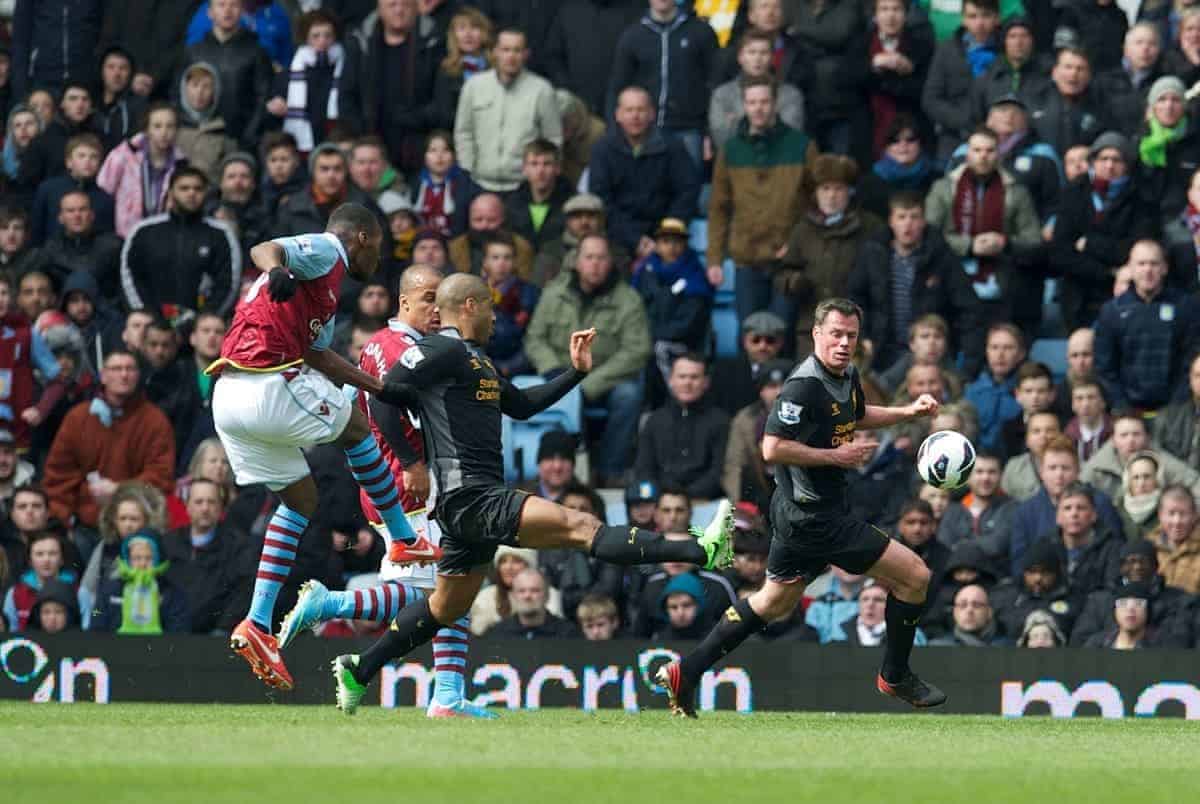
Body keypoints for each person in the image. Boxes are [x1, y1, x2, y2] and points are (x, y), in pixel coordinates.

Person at [328, 272, 734, 712]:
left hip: (468, 505)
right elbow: (386, 397)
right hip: (471, 497)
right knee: (581, 526)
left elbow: (521, 404)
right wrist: (411, 463)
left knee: (444, 607)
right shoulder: (439, 348)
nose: (495, 318)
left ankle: (359, 669)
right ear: (468, 306)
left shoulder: (473, 358)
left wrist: (575, 373)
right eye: (489, 307)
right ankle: (700, 550)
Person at [657, 298, 946, 716]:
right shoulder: (803, 385)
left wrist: (907, 411)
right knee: (915, 577)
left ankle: (688, 669)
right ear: (816, 335)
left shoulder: (843, 374)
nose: (844, 343)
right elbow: (771, 448)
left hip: (799, 513)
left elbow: (855, 414)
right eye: (835, 334)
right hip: (817, 519)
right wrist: (837, 457)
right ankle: (895, 676)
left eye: (851, 335)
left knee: (772, 602)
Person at [206, 203, 433, 690]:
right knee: (353, 428)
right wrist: (279, 269)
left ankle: (259, 624)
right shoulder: (328, 251)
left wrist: (380, 387)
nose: (382, 265)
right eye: (383, 250)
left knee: (300, 499)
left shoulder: (325, 301)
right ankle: (404, 538)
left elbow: (321, 357)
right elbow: (266, 248)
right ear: (364, 239)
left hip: (228, 398)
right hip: (266, 381)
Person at [525, 235, 652, 484]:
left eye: (601, 258)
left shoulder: (628, 299)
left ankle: (610, 471)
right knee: (537, 393)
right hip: (560, 374)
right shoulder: (554, 294)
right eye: (589, 257)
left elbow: (637, 349)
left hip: (606, 378)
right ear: (577, 262)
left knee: (629, 396)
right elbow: (534, 339)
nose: (595, 264)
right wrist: (552, 370)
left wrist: (588, 384)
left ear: (610, 263)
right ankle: (560, 469)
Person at [707, 75, 815, 329]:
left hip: (788, 261)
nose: (758, 108)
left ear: (775, 104)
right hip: (747, 259)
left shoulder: (802, 146)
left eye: (764, 101)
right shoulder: (730, 150)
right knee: (748, 338)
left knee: (783, 336)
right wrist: (714, 259)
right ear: (744, 104)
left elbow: (815, 204)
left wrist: (796, 245)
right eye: (752, 102)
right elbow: (719, 207)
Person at [925, 127, 1042, 346]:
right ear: (967, 154)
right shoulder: (942, 189)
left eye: (989, 150)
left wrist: (1004, 243)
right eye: (977, 150)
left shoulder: (1016, 191)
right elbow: (930, 236)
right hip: (952, 278)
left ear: (999, 154)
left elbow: (1034, 239)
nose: (983, 156)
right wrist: (968, 245)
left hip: (1002, 281)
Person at [42, 350, 175, 536]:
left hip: (138, 524)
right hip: (85, 523)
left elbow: (161, 475)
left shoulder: (155, 420)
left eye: (130, 369)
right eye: (116, 368)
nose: (124, 375)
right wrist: (65, 518)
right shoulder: (78, 418)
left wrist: (120, 489)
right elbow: (58, 475)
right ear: (103, 376)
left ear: (138, 376)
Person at [848, 192, 979, 375]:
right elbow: (855, 298)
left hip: (930, 355)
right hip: (882, 352)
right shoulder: (873, 253)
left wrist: (968, 360)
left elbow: (968, 308)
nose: (907, 224)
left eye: (914, 217)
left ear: (923, 221)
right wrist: (863, 336)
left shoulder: (941, 256)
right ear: (891, 221)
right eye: (901, 217)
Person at [778, 155, 885, 356]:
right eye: (825, 189)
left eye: (838, 189)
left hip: (855, 329)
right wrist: (793, 282)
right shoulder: (803, 229)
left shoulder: (871, 227)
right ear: (815, 193)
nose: (831, 196)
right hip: (812, 328)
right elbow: (785, 271)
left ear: (850, 192)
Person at [1052, 132, 1153, 331]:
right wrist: (1109, 271)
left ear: (1127, 164)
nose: (1109, 166)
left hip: (1123, 292)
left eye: (1117, 159)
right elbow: (1061, 252)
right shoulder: (1073, 193)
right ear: (1093, 162)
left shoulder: (1141, 197)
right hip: (1077, 294)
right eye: (1103, 159)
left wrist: (1089, 244)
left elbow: (1135, 248)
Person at [588, 86, 700, 257]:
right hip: (617, 238)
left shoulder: (672, 147)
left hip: (667, 237)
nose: (635, 116)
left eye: (641, 110)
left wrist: (666, 234)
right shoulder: (602, 150)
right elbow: (601, 200)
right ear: (618, 115)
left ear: (652, 114)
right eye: (629, 110)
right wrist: (635, 239)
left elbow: (687, 191)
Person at [607, 0, 720, 167]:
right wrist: (614, 131)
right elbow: (618, 87)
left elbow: (714, 85)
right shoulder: (632, 35)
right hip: (644, 131)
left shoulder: (701, 32)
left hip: (690, 131)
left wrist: (708, 132)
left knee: (689, 190)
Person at [120, 167, 243, 319]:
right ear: (171, 192)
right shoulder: (144, 231)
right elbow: (131, 277)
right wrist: (147, 316)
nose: (191, 193)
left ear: (205, 193)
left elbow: (228, 284)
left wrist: (204, 321)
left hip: (202, 332)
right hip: (152, 329)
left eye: (197, 189)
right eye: (184, 188)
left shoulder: (221, 234)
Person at [1094, 239, 1200, 413]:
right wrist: (1122, 405)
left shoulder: (1186, 307)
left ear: (1164, 268)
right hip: (1127, 413)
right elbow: (1105, 367)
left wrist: (1175, 407)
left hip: (1175, 410)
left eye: (1154, 263)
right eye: (1141, 264)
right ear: (1131, 268)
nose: (1148, 270)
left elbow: (1191, 360)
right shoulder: (1111, 312)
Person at [340, 0, 444, 175]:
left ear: (416, 8)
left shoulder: (434, 43)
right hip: (370, 145)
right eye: (392, 5)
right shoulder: (360, 42)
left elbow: (442, 102)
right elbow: (347, 96)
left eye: (406, 5)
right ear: (379, 9)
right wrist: (362, 135)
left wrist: (415, 118)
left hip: (421, 145)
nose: (399, 10)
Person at [454, 28, 562, 194]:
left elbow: (553, 139)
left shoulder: (542, 90)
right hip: (478, 183)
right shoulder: (474, 86)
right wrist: (468, 169)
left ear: (526, 54)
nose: (511, 56)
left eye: (517, 50)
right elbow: (463, 132)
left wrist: (539, 176)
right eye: (505, 50)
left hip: (524, 187)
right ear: (495, 52)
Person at [1007, 435, 1124, 578]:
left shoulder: (1100, 503)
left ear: (1078, 471)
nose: (1059, 474)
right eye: (1052, 468)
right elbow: (1019, 564)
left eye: (1065, 468)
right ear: (1041, 472)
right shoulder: (1024, 512)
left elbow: (1115, 550)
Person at [635, 354, 729, 500]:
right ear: (671, 381)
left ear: (705, 382)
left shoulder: (721, 421)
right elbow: (644, 469)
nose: (687, 382)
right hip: (661, 502)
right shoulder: (654, 420)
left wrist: (685, 497)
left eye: (694, 377)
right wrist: (665, 497)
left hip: (706, 501)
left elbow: (719, 471)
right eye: (682, 376)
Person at [182, 0, 273, 150]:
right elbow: (178, 94)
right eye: (221, 4)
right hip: (198, 138)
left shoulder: (256, 53)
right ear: (210, 12)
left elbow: (263, 99)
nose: (228, 10)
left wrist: (249, 136)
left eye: (234, 5)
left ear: (242, 11)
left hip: (241, 140)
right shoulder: (193, 52)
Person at [634, 219, 716, 384]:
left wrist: (656, 337)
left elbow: (691, 321)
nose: (671, 247)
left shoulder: (695, 276)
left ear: (685, 245)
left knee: (660, 351)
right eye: (665, 241)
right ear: (656, 245)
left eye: (677, 242)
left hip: (683, 345)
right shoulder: (645, 272)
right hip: (644, 341)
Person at [1070, 538, 1192, 647]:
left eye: (1143, 561)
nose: (1137, 567)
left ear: (1156, 565)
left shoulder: (1178, 600)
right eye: (1131, 561)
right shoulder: (1100, 601)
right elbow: (1080, 640)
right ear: (1121, 566)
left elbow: (1181, 640)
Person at [922, 0, 1000, 160]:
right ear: (963, 19)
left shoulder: (1008, 50)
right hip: (954, 136)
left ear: (997, 18)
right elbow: (931, 99)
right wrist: (963, 121)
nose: (979, 23)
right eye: (972, 16)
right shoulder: (946, 51)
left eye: (986, 15)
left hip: (1000, 138)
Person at [97, 102, 186, 238]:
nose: (164, 133)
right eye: (157, 126)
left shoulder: (181, 163)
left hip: (164, 236)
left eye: (170, 126)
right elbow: (105, 187)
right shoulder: (124, 153)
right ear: (147, 129)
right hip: (126, 234)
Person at [708, 29, 806, 152]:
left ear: (772, 58)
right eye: (751, 52)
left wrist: (736, 121)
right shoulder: (722, 95)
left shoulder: (791, 94)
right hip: (737, 163)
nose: (757, 58)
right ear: (740, 57)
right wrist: (771, 119)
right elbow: (722, 139)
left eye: (763, 53)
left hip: (779, 163)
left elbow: (791, 136)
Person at [1081, 411, 1200, 503]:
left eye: (1136, 434)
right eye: (1124, 435)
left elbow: (1194, 482)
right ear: (1113, 440)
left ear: (1147, 437)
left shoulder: (1161, 460)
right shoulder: (1097, 467)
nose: (1131, 440)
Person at [271, 9, 345, 155]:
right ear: (306, 38)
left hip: (337, 137)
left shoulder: (346, 69)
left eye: (328, 35)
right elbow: (274, 104)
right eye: (316, 36)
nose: (322, 41)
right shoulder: (290, 74)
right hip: (303, 143)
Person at [272, 143, 379, 240]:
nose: (331, 175)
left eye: (337, 169)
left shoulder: (365, 207)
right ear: (313, 172)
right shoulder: (292, 208)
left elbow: (380, 252)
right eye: (324, 169)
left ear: (346, 172)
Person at [91, 530, 190, 634]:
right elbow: (96, 616)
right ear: (128, 559)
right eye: (137, 558)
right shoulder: (110, 589)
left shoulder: (172, 594)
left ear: (158, 560)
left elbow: (179, 630)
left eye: (149, 558)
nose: (143, 563)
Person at [723, 359, 790, 509]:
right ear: (761, 391)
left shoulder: (809, 417)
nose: (779, 392)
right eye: (772, 386)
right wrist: (737, 506)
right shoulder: (745, 419)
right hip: (759, 492)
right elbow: (734, 465)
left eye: (786, 385)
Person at [29, 133, 115, 247]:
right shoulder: (48, 189)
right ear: (69, 162)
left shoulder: (105, 199)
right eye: (81, 156)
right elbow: (36, 232)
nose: (87, 161)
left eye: (93, 156)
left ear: (100, 163)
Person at [969, 16, 1051, 124]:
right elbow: (975, 118)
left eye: (1024, 36)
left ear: (1032, 40)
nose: (1018, 42)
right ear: (1005, 41)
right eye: (1012, 36)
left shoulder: (1047, 75)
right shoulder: (988, 77)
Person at [479, 234, 539, 378]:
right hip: (480, 369)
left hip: (517, 370)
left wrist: (508, 368)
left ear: (515, 262)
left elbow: (533, 339)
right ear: (485, 262)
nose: (501, 263)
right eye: (495, 257)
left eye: (507, 257)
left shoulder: (530, 293)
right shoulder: (473, 292)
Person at [1032, 47, 1108, 156]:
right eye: (1068, 67)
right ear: (1054, 72)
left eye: (1080, 69)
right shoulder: (1034, 100)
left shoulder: (1101, 106)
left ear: (1089, 76)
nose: (1073, 74)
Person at [430, 5, 494, 131]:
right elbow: (444, 114)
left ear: (484, 33)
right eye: (462, 28)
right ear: (454, 35)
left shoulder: (496, 67)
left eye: (474, 27)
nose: (468, 34)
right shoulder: (446, 70)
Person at [963, 323, 1025, 452]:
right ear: (987, 352)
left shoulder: (1029, 391)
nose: (1000, 354)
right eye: (994, 347)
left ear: (1021, 354)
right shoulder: (972, 392)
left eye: (1008, 348)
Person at [504, 140, 573, 255]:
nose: (540, 171)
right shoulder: (511, 204)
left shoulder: (572, 204)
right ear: (525, 169)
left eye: (547, 164)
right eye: (534, 164)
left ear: (558, 168)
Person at [938, 451, 1014, 552]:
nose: (985, 478)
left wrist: (959, 546)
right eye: (979, 472)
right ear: (967, 477)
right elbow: (943, 547)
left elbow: (997, 545)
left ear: (1001, 476)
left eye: (992, 472)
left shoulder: (1011, 508)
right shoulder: (952, 511)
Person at [175, 61, 239, 182]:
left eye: (206, 86)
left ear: (215, 91)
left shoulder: (225, 129)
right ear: (185, 88)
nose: (200, 92)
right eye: (195, 85)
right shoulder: (171, 124)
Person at [447, 193, 536, 280]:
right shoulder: (455, 248)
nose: (484, 225)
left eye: (491, 220)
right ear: (469, 220)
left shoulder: (521, 248)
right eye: (478, 220)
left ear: (503, 219)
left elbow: (525, 281)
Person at [411, 131, 481, 240]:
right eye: (433, 150)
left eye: (446, 150)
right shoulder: (416, 184)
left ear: (454, 155)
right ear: (425, 156)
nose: (439, 156)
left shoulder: (466, 185)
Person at [487, 568, 581, 639]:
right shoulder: (496, 634)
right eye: (521, 591)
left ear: (547, 595)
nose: (527, 596)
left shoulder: (569, 634)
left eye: (535, 590)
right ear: (513, 596)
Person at [1000, 410, 1063, 501]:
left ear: (1060, 435)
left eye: (1050, 430)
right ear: (1027, 439)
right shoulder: (1014, 467)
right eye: (1036, 431)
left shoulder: (1072, 464)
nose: (1043, 436)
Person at [1152, 483, 1200, 595]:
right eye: (1171, 513)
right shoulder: (1148, 546)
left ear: (1194, 515)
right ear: (1160, 515)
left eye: (1183, 514)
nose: (1177, 521)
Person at [1155, 354, 1200, 466]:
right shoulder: (1167, 417)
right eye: (1198, 375)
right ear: (1190, 379)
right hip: (1174, 481)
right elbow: (1157, 457)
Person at [930, 584, 1009, 645]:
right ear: (954, 612)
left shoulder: (1009, 647)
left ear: (989, 612)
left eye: (977, 605)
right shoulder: (937, 647)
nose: (969, 610)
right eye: (962, 605)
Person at [1065, 376, 1112, 464]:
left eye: (1091, 397)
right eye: (1079, 398)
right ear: (1073, 405)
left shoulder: (1116, 434)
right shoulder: (1066, 438)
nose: (1085, 404)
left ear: (1103, 403)